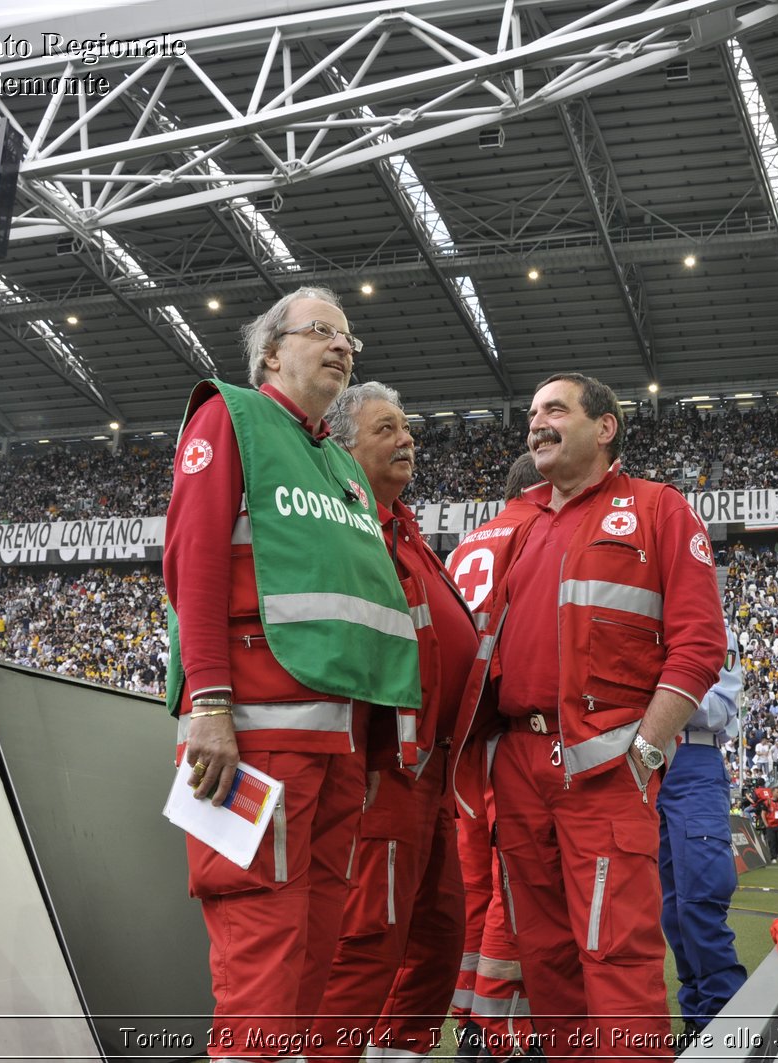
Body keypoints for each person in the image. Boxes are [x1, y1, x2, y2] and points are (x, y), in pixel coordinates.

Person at [164, 287, 422, 1059]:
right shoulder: (231, 416)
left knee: (312, 956)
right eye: (322, 332)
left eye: (349, 338)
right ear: (272, 351)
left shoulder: (339, 461)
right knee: (262, 960)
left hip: (334, 750)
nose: (341, 347)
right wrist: (206, 701)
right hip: (249, 740)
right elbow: (195, 563)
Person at [450, 371, 726, 1060]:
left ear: (605, 427)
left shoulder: (660, 509)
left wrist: (647, 751)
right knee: (547, 968)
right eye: (532, 413)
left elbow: (699, 645)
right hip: (517, 771)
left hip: (604, 770)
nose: (537, 423)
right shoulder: (520, 528)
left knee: (618, 962)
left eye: (555, 409)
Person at [311, 382, 475, 1061]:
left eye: (407, 427)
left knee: (441, 932)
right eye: (387, 429)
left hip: (433, 772)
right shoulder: (346, 528)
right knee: (367, 939)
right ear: (347, 446)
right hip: (384, 766)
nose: (406, 438)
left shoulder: (405, 527)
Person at [446, 452, 542, 1062]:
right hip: (512, 734)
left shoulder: (463, 548)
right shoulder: (541, 530)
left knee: (474, 887)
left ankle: (470, 1021)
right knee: (518, 888)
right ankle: (504, 1031)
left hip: (463, 745)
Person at [658, 625, 747, 1047]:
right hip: (652, 757)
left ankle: (724, 1020)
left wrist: (654, 692)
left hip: (695, 755)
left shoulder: (715, 628)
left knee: (700, 898)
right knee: (672, 908)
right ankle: (697, 1016)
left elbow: (718, 709)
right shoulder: (650, 615)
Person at [764, 787, 778, 862]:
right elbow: (762, 813)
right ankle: (773, 857)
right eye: (777, 792)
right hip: (770, 826)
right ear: (773, 793)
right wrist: (766, 824)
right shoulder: (767, 802)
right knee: (772, 842)